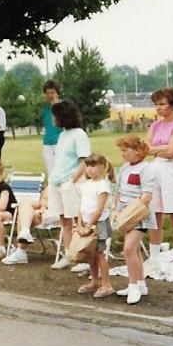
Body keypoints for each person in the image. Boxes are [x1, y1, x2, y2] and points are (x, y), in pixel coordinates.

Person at [146, 87, 173, 264]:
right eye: (156, 104)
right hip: (156, 168)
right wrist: (162, 149)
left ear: (172, 105)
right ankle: (154, 257)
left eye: (162, 104)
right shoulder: (156, 125)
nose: (158, 108)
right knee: (154, 215)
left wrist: (157, 150)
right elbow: (145, 148)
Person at [47, 100, 90, 269]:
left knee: (79, 220)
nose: (53, 119)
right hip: (57, 182)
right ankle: (69, 254)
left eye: (55, 116)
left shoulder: (79, 134)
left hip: (71, 183)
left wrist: (71, 181)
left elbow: (84, 160)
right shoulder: (63, 134)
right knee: (64, 221)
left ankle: (83, 256)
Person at [113, 135, 156, 305]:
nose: (122, 154)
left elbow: (147, 194)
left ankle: (133, 286)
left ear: (137, 151)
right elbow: (119, 191)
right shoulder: (124, 169)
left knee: (129, 248)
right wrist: (117, 210)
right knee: (135, 250)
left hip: (138, 215)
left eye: (125, 150)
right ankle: (139, 283)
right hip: (124, 213)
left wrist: (131, 212)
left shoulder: (147, 169)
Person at [74, 154, 114, 298]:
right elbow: (81, 206)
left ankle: (106, 284)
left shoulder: (103, 186)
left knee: (99, 254)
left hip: (98, 223)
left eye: (94, 166)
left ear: (102, 167)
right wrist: (79, 224)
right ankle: (94, 281)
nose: (90, 169)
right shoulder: (85, 185)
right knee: (90, 255)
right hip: (85, 222)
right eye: (88, 166)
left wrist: (89, 225)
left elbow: (99, 208)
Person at [1, 185, 50, 265]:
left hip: (56, 213)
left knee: (23, 215)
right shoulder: (54, 180)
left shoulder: (70, 182)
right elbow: (43, 199)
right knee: (25, 202)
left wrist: (46, 207)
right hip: (42, 210)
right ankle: (25, 232)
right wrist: (43, 204)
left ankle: (21, 250)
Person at [41, 80, 63, 176]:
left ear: (58, 93)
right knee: (51, 172)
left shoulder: (64, 107)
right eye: (47, 93)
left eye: (52, 92)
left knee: (60, 170)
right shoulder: (46, 109)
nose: (50, 95)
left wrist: (56, 108)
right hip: (47, 143)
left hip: (59, 142)